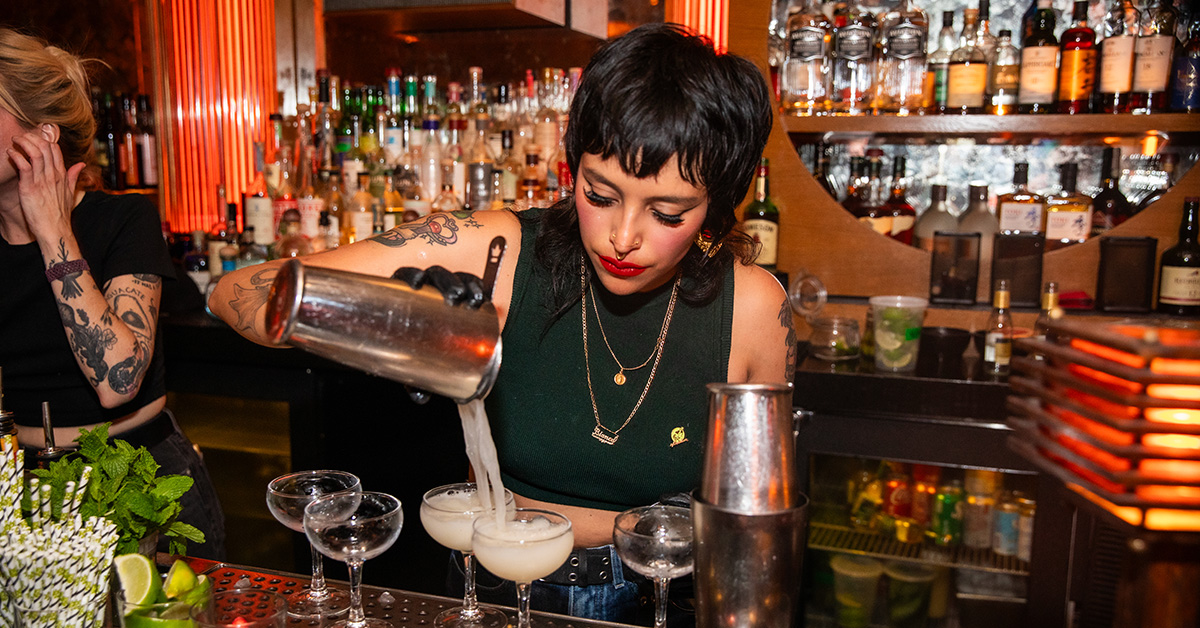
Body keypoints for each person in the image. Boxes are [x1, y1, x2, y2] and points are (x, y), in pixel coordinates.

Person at [210, 23, 788, 623]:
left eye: (667, 212)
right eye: (600, 194)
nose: (624, 236)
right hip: (490, 593)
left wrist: (621, 532)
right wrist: (394, 323)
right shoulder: (498, 252)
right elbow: (235, 294)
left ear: (717, 205)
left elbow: (756, 537)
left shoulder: (751, 310)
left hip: (664, 599)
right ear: (573, 170)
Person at [0, 27, 226, 560]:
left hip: (139, 487)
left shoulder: (122, 220)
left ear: (42, 135)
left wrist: (53, 229)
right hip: (24, 493)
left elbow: (118, 380)